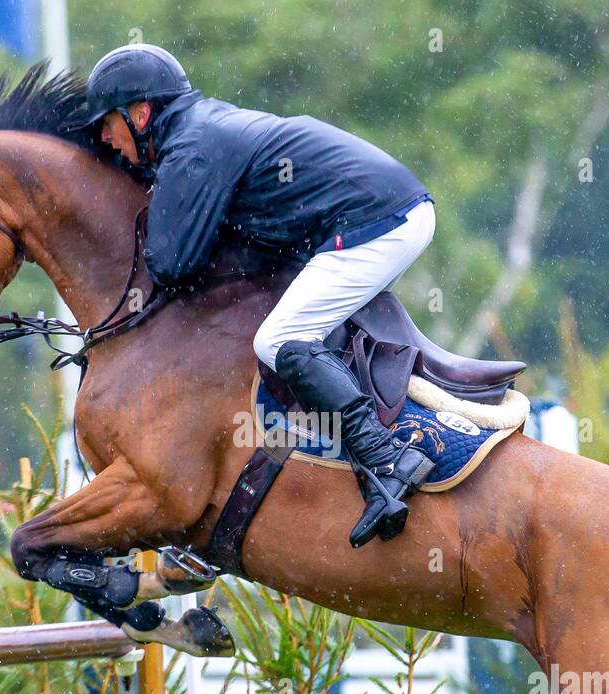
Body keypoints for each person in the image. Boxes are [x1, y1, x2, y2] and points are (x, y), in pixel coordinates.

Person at [83, 43, 435, 548]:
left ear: (140, 114)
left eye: (107, 125)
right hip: (383, 210)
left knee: (281, 339)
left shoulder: (193, 146)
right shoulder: (198, 132)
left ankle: (384, 461)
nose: (105, 139)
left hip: (377, 221)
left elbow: (171, 263)